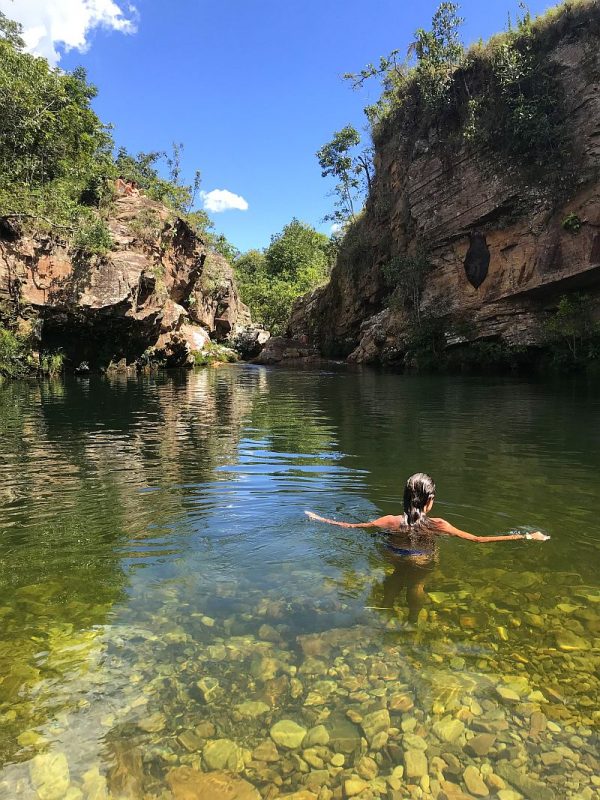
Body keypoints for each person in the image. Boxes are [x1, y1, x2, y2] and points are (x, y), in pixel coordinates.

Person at [305, 472, 550, 543]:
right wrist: (527, 535)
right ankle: (414, 620)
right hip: (422, 560)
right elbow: (477, 539)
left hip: (396, 557)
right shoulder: (438, 525)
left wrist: (318, 518)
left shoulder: (390, 521)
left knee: (393, 582)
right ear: (429, 501)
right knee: (417, 588)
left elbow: (350, 526)